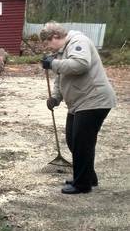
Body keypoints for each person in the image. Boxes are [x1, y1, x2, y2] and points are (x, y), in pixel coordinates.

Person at [40, 21, 116, 195]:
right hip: (79, 103)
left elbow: (81, 64)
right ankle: (88, 176)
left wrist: (53, 64)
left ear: (55, 37)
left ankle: (82, 184)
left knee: (82, 142)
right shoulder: (62, 52)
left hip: (94, 100)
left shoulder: (77, 41)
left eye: (48, 43)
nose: (49, 48)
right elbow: (61, 77)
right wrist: (56, 98)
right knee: (73, 140)